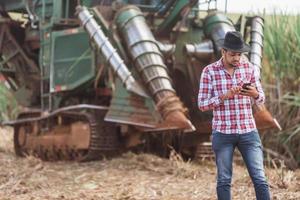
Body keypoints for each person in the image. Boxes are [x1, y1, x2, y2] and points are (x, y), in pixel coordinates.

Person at [198, 31, 271, 200]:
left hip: (248, 131)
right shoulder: (209, 72)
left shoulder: (249, 68)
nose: (237, 58)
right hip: (223, 133)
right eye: (233, 54)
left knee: (260, 178)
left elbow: (261, 98)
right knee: (224, 180)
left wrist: (254, 94)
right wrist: (224, 96)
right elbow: (202, 104)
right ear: (223, 51)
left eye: (239, 54)